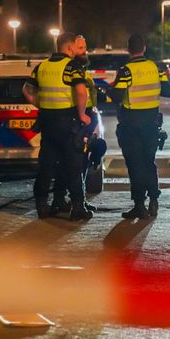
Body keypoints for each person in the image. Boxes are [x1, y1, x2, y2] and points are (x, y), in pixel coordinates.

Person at [22, 32, 93, 220]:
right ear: (69, 48)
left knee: (46, 166)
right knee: (73, 165)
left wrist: (40, 104)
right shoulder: (72, 66)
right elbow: (81, 91)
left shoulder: (42, 66)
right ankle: (78, 207)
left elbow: (26, 90)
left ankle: (42, 205)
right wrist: (82, 115)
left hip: (47, 121)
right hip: (68, 123)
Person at [110, 33, 170, 219]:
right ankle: (154, 201)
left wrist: (110, 89)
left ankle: (139, 206)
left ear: (129, 50)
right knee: (149, 163)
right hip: (152, 124)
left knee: (135, 165)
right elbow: (168, 91)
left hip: (131, 125)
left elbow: (117, 96)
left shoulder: (126, 71)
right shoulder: (156, 68)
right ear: (144, 47)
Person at [51, 34, 101, 215]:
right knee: (73, 164)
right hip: (77, 124)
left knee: (79, 163)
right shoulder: (72, 70)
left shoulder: (82, 71)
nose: (84, 51)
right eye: (80, 48)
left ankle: (65, 200)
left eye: (85, 48)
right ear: (71, 49)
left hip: (85, 122)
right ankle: (74, 204)